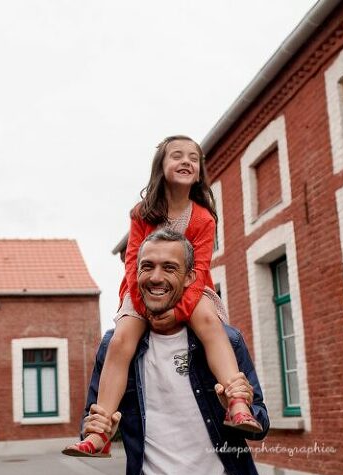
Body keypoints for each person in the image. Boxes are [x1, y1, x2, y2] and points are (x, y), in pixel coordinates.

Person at [63, 135, 261, 458]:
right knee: (120, 340)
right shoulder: (143, 213)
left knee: (210, 324)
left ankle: (237, 402)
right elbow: (133, 264)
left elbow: (199, 269)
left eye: (193, 158)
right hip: (143, 290)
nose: (186, 162)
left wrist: (178, 311)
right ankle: (99, 431)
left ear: (199, 171)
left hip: (191, 288)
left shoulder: (204, 218)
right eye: (177, 155)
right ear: (161, 166)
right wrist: (146, 307)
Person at [79, 229, 270, 475]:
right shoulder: (115, 345)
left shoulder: (227, 340)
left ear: (190, 277)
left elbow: (261, 425)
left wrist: (232, 408)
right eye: (147, 266)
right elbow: (90, 422)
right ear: (135, 273)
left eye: (169, 267)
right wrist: (97, 428)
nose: (156, 277)